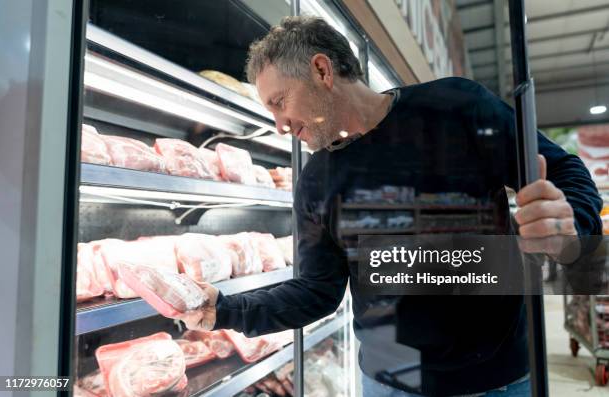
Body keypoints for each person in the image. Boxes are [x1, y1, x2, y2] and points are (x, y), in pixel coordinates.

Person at [177, 16, 603, 396]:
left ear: (322, 70)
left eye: (279, 102)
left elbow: (565, 169)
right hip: (387, 382)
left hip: (496, 380)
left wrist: (571, 225)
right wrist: (225, 309)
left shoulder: (457, 107)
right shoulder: (316, 179)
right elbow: (316, 291)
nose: (280, 125)